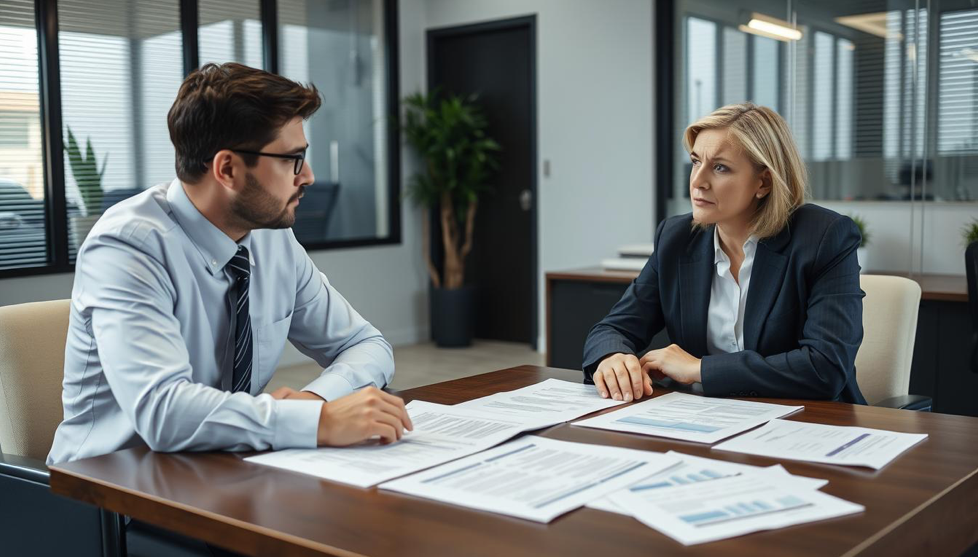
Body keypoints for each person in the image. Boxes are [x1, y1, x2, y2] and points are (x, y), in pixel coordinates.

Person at [48, 63, 412, 465]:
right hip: (111, 492)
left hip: (223, 470)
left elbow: (366, 345)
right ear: (227, 169)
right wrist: (316, 421)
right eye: (292, 159)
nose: (307, 176)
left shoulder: (272, 240)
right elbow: (164, 412)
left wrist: (314, 402)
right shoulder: (127, 248)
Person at [583, 102, 866, 404]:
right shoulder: (677, 239)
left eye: (720, 167)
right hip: (710, 423)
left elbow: (825, 367)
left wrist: (700, 369)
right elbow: (613, 328)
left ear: (763, 181)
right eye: (695, 162)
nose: (697, 181)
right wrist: (612, 357)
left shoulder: (823, 238)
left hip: (812, 426)